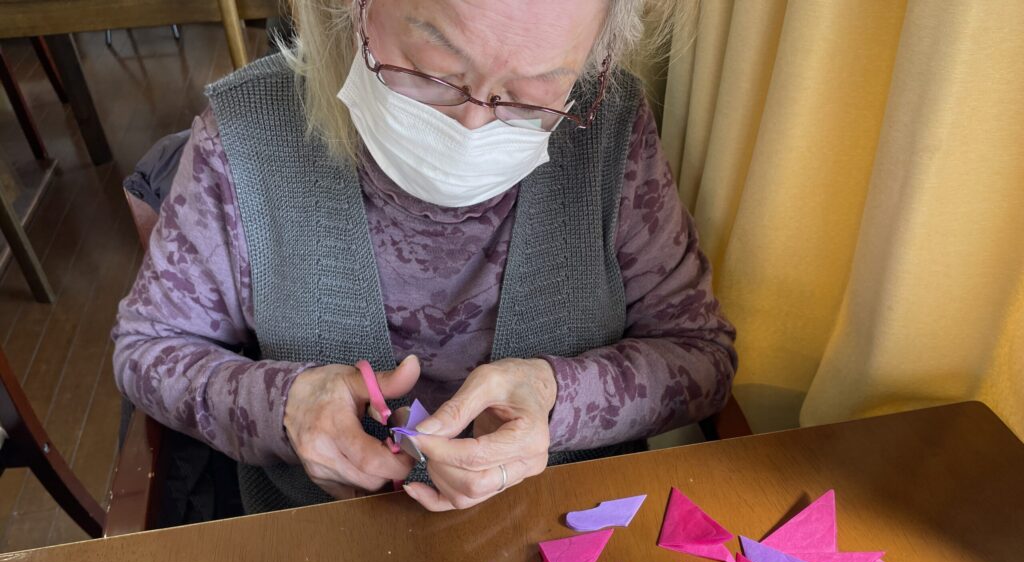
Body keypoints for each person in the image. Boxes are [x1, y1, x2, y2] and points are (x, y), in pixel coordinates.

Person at [112, 0, 737, 515]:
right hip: (317, 542)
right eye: (434, 73)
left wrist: (555, 399)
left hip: (568, 538)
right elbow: (146, 347)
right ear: (353, 11)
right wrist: (285, 406)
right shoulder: (247, 139)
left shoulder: (609, 129)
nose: (473, 128)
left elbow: (700, 354)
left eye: (530, 99)